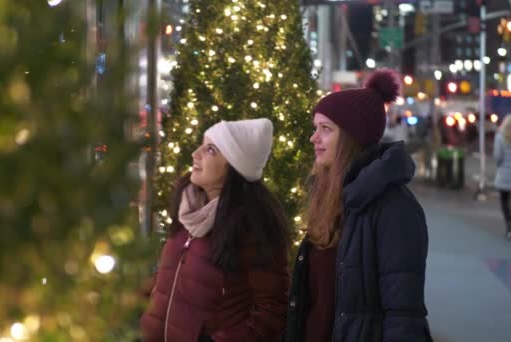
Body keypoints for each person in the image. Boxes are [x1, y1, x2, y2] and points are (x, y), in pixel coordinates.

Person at [285, 69, 433, 342]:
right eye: (315, 128)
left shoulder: (394, 208)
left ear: (352, 138)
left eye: (325, 129)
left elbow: (403, 316)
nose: (313, 138)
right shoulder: (326, 197)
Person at [141, 118, 291, 342]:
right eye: (202, 144)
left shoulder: (253, 227)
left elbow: (272, 310)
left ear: (234, 166)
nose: (195, 153)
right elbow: (169, 277)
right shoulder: (188, 210)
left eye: (210, 149)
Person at [493, 114, 511, 239]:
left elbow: (497, 157)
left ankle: (509, 225)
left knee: (504, 201)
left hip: (504, 176)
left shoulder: (500, 138)